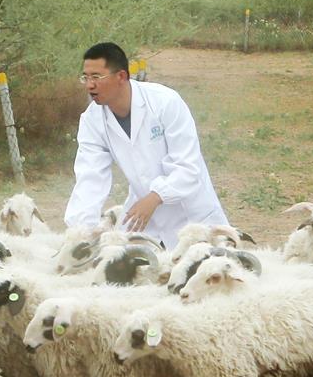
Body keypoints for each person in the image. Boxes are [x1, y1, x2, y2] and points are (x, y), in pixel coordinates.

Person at [64, 42, 228, 248]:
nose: (89, 85)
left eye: (96, 77)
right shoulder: (92, 120)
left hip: (191, 214)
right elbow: (90, 177)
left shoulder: (165, 103)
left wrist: (156, 197)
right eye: (85, 78)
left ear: (121, 76)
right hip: (141, 217)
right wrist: (80, 231)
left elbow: (188, 167)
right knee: (124, 266)